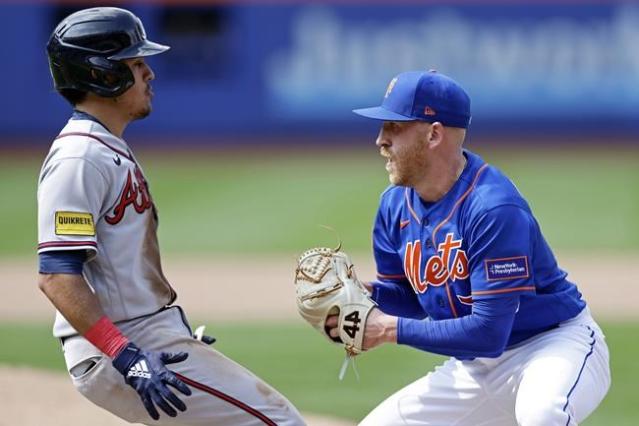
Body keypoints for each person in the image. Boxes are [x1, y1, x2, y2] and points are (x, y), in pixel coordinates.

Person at [38, 7, 304, 425]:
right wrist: (128, 356)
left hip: (144, 336)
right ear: (104, 74)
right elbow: (57, 275)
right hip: (124, 347)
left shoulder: (103, 148)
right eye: (137, 63)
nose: (150, 74)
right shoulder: (80, 157)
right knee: (279, 421)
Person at [328, 70, 611, 425]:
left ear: (434, 134)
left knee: (542, 416)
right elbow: (411, 298)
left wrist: (386, 329)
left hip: (552, 347)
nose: (380, 140)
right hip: (475, 370)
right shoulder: (393, 207)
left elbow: (489, 333)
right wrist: (360, 299)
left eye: (394, 127)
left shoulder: (492, 207)